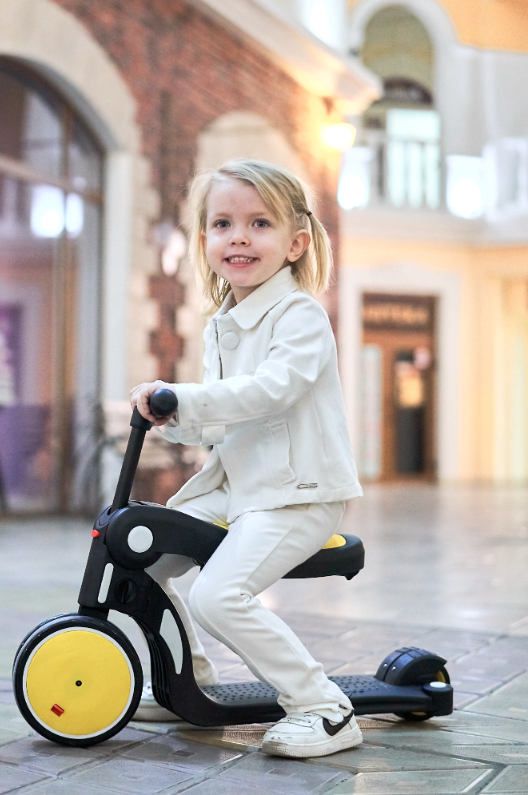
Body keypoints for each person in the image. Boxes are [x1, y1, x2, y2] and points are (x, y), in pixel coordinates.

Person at [129, 159, 363, 758]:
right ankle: (192, 682)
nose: (238, 236)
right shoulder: (222, 324)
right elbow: (219, 420)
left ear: (295, 243)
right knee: (141, 561)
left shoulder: (300, 316)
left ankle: (323, 707)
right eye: (222, 223)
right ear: (203, 241)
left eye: (259, 223)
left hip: (298, 494)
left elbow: (270, 391)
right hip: (239, 490)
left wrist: (181, 399)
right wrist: (169, 414)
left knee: (215, 595)